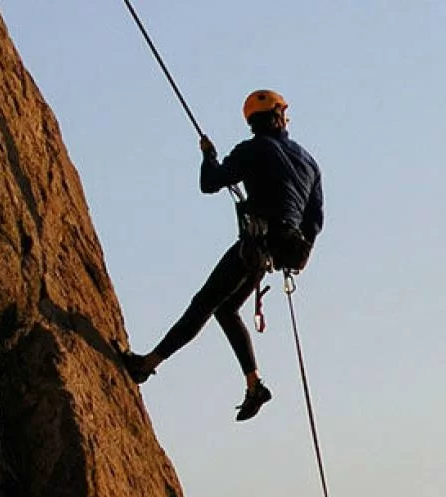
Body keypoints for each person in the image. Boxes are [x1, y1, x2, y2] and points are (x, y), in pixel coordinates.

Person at [121, 90, 324, 421]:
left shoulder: (252, 149)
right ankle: (254, 383)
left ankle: (147, 364)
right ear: (278, 116)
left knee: (204, 303)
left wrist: (208, 156)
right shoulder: (309, 162)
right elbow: (315, 221)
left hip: (256, 245)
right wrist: (298, 254)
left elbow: (210, 182)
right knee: (226, 309)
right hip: (279, 249)